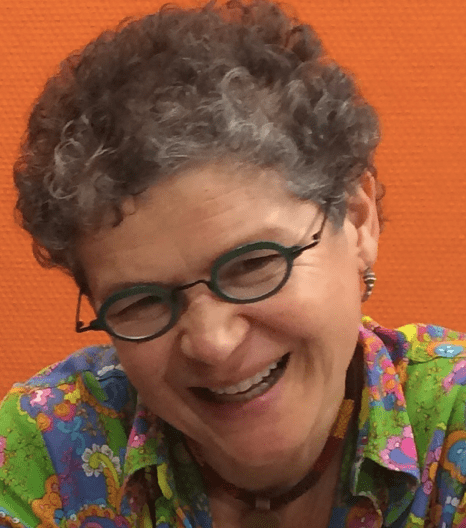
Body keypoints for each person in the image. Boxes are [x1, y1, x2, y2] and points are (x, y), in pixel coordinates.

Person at [1, 1, 466, 527]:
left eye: (252, 264)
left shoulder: (455, 421)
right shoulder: (46, 450)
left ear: (358, 220)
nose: (213, 342)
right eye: (141, 301)